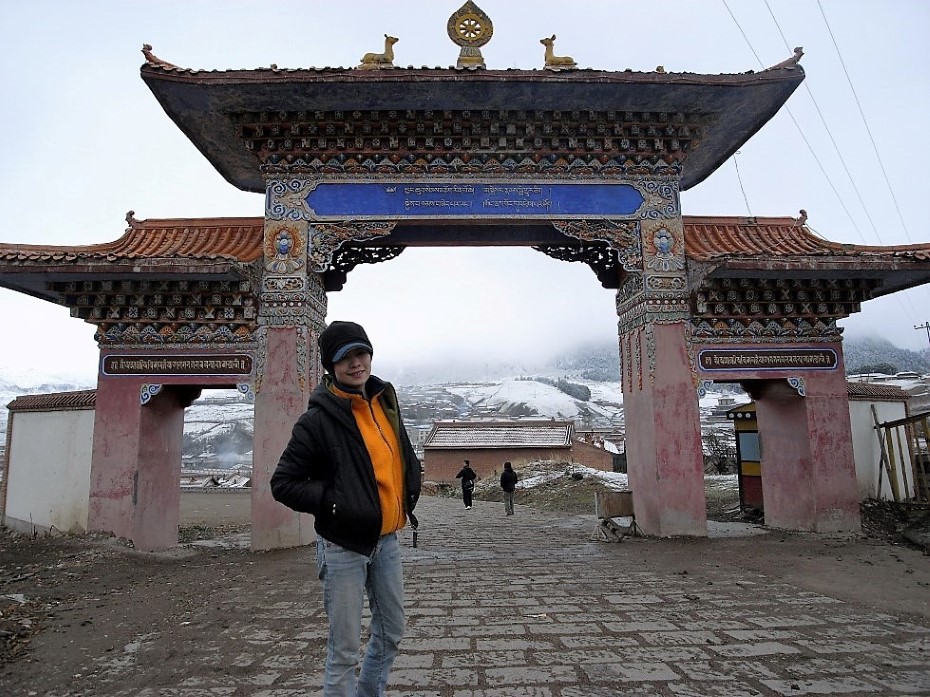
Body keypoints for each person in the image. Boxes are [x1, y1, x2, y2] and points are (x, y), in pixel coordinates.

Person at [271, 320, 421, 697]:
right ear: (330, 366)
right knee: (344, 649)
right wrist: (337, 502)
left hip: (387, 541)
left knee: (391, 632)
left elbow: (399, 455)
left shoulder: (384, 402)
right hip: (343, 547)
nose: (356, 364)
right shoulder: (318, 420)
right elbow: (284, 483)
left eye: (361, 353)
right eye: (345, 358)